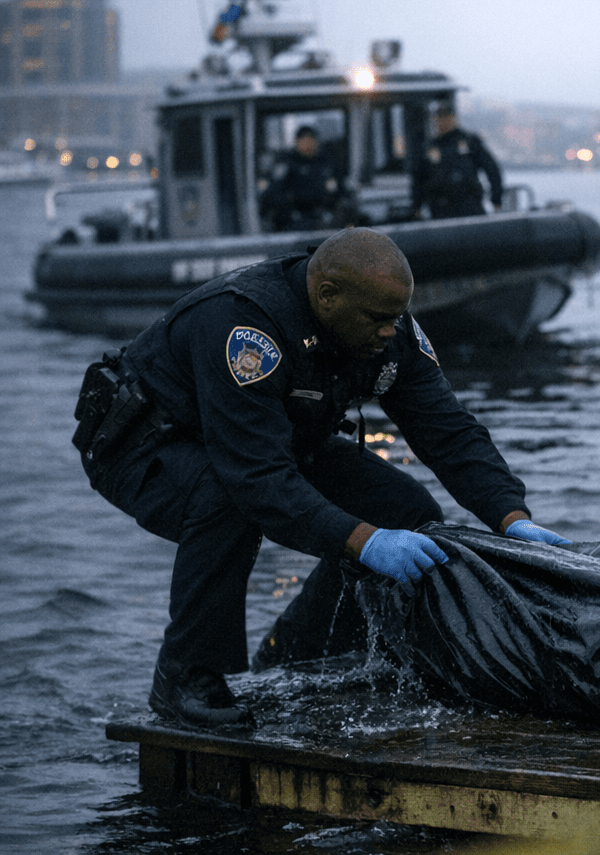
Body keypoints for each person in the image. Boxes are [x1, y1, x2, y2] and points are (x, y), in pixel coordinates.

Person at [72, 228, 569, 729]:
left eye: (397, 318)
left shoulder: (387, 328)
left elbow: (449, 430)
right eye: (378, 320)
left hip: (271, 433)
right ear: (327, 298)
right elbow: (257, 479)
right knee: (224, 501)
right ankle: (185, 677)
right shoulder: (245, 327)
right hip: (142, 444)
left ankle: (309, 652)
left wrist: (512, 517)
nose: (389, 331)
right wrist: (365, 542)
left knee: (405, 511)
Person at [412, 102, 503, 219]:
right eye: (439, 118)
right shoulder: (428, 149)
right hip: (440, 209)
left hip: (470, 206)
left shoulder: (470, 142)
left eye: (446, 117)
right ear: (434, 121)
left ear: (453, 118)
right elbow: (418, 180)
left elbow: (492, 170)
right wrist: (416, 207)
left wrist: (496, 199)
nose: (443, 121)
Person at [258, 126, 355, 232]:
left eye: (312, 141)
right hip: (294, 220)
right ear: (297, 142)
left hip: (326, 217)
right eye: (305, 141)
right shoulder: (286, 164)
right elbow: (272, 195)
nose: (309, 144)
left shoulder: (327, 163)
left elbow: (342, 190)